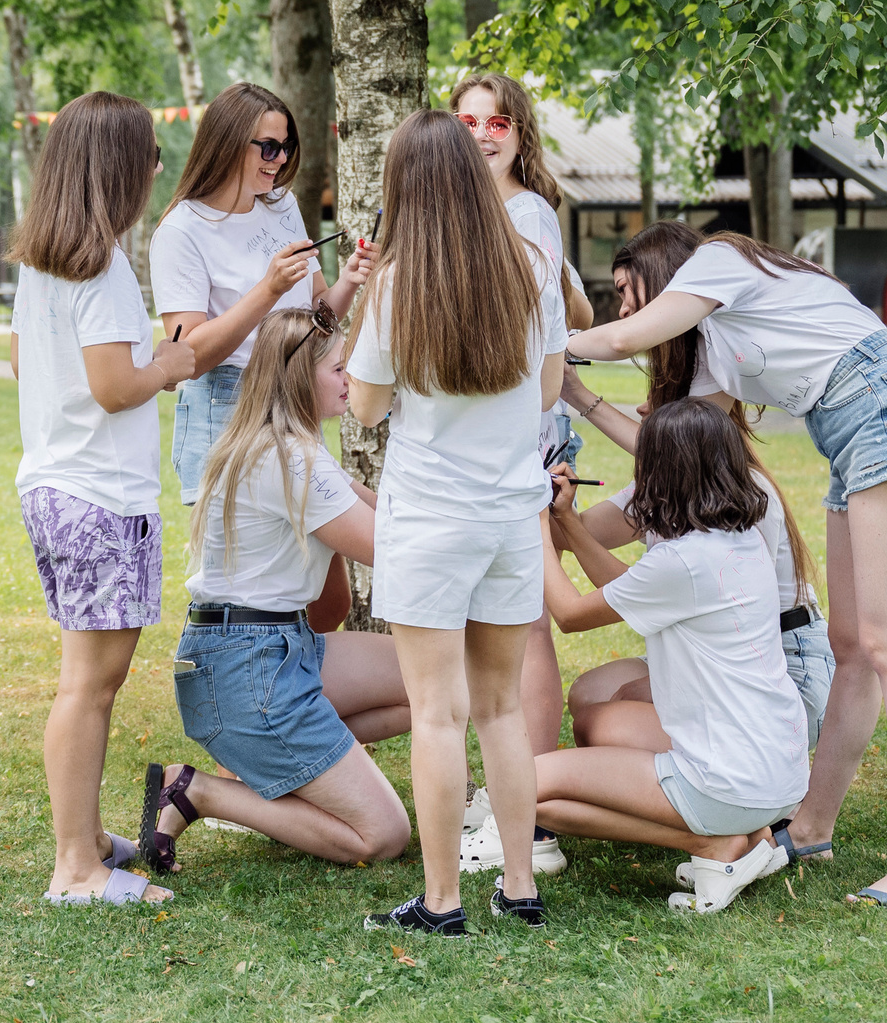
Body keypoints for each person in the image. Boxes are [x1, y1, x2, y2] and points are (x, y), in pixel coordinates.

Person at [566, 221, 887, 908]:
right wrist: (579, 398)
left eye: (631, 293)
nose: (626, 312)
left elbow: (621, 340)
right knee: (852, 647)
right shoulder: (717, 354)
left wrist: (544, 345)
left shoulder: (719, 261)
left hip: (884, 412)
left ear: (670, 279)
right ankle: (810, 826)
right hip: (848, 432)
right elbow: (678, 454)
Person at [347, 109, 566, 936]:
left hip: (431, 517)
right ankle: (518, 883)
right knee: (502, 708)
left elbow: (364, 409)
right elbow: (547, 391)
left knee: (437, 712)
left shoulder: (399, 282)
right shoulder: (532, 265)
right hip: (512, 517)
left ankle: (442, 901)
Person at [556, 223, 835, 852]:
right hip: (752, 669)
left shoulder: (712, 450)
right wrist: (559, 522)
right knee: (593, 696)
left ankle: (718, 825)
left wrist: (579, 391)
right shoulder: (698, 474)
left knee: (607, 717)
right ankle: (714, 815)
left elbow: (583, 602)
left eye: (630, 294)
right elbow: (616, 526)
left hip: (786, 664)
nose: (623, 310)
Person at [134, 307, 411, 871]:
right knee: (383, 836)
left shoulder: (279, 448)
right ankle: (197, 792)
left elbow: (339, 596)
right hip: (249, 667)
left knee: (431, 677)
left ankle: (277, 765)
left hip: (264, 653)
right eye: (339, 369)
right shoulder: (293, 461)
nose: (351, 381)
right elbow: (401, 551)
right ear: (297, 376)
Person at [8, 91, 198, 908]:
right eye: (148, 156)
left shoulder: (44, 260)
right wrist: (169, 363)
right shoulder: (108, 264)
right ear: (116, 168)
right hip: (98, 497)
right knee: (89, 682)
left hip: (54, 484)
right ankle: (76, 870)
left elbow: (26, 362)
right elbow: (116, 383)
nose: (157, 169)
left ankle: (86, 841)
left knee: (86, 676)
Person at [534, 399, 806, 912]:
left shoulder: (681, 561)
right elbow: (626, 588)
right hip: (777, 775)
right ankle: (747, 837)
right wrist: (566, 522)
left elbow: (569, 614)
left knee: (525, 785)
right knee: (590, 729)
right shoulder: (735, 537)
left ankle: (707, 844)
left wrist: (532, 526)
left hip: (729, 782)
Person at [445, 72, 592, 880]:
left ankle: (529, 818)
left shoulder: (527, 213)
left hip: (521, 437)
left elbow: (539, 351)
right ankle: (513, 799)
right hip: (493, 442)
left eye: (496, 120)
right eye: (466, 120)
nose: (481, 133)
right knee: (500, 629)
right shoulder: (476, 212)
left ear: (519, 132)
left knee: (526, 627)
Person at [154, 82, 373, 504]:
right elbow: (190, 358)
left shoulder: (281, 206)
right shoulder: (182, 230)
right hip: (229, 408)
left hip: (293, 399)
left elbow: (317, 315)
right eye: (269, 147)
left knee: (321, 559)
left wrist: (349, 280)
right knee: (248, 563)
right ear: (229, 144)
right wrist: (269, 289)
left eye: (287, 146)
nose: (282, 158)